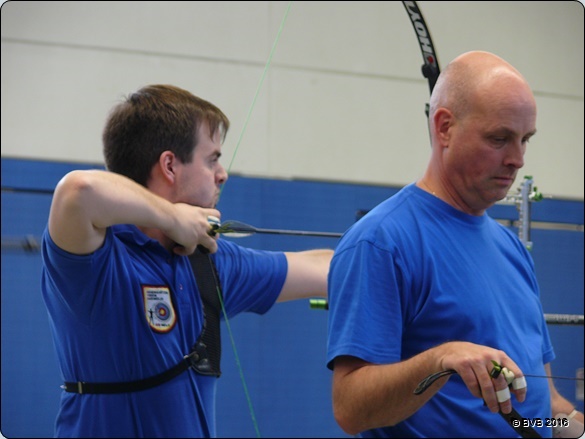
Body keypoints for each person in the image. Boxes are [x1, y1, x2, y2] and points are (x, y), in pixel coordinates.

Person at [41, 84, 333, 438]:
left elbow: (325, 269)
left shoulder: (207, 263)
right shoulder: (98, 261)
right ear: (169, 165)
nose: (222, 173)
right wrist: (173, 218)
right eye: (212, 159)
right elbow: (77, 191)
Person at [326, 51, 584, 438]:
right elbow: (351, 409)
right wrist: (441, 359)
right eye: (499, 139)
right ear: (444, 127)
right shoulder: (381, 241)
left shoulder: (511, 249)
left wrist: (577, 429)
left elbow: (543, 407)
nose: (517, 159)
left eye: (525, 140)